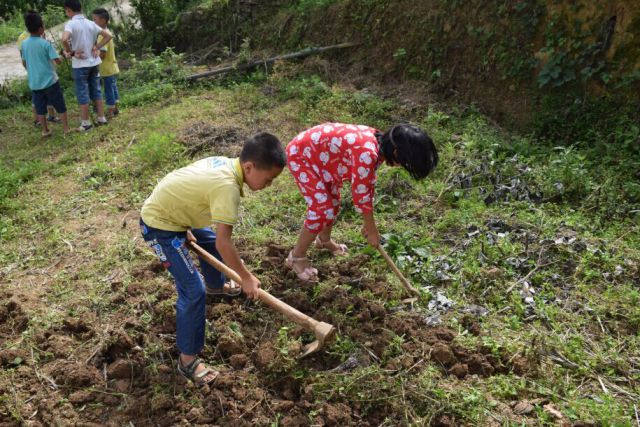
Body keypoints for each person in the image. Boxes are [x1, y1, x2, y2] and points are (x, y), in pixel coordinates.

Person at [140, 133, 286, 385]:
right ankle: (187, 360)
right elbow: (225, 242)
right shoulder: (227, 187)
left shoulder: (228, 163)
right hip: (159, 226)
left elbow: (180, 184)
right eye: (269, 180)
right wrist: (246, 277)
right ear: (249, 167)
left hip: (174, 215)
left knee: (208, 238)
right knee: (193, 290)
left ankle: (216, 285)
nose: (269, 185)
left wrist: (181, 220)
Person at [285, 123, 438, 282]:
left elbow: (365, 185)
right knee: (322, 209)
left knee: (333, 202)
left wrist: (369, 225)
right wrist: (371, 230)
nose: (401, 166)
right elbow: (361, 195)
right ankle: (296, 257)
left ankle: (324, 240)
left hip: (322, 158)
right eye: (404, 162)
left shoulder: (378, 144)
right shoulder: (367, 153)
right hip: (302, 156)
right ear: (396, 152)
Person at [61, 0, 112, 132]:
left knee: (82, 93)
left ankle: (86, 123)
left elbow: (64, 39)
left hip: (80, 65)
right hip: (94, 63)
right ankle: (101, 118)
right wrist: (96, 47)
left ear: (68, 10)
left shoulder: (70, 24)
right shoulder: (91, 23)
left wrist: (71, 52)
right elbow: (108, 36)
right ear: (80, 8)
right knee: (96, 90)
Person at [20, 11, 70, 136]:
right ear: (41, 28)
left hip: (35, 83)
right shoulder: (45, 44)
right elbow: (57, 61)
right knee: (59, 104)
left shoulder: (24, 44)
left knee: (40, 108)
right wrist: (65, 55)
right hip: (50, 81)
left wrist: (31, 71)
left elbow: (24, 62)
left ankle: (44, 130)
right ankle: (65, 128)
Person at [17, 29, 60, 126]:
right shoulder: (24, 38)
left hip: (38, 73)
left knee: (43, 96)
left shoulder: (31, 37)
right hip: (39, 72)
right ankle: (38, 120)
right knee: (38, 98)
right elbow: (24, 56)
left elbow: (25, 58)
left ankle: (48, 117)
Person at [92, 8, 120, 118]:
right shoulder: (108, 32)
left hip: (106, 68)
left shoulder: (102, 36)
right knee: (113, 88)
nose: (93, 22)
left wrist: (93, 55)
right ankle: (116, 108)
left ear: (103, 20)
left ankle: (111, 110)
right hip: (112, 66)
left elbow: (102, 54)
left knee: (108, 90)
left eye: (95, 19)